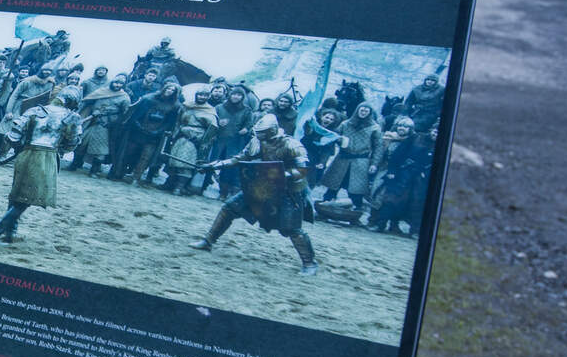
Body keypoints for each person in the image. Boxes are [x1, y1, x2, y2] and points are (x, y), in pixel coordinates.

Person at [188, 115, 319, 275]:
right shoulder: (256, 141)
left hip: (289, 191)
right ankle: (208, 241)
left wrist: (281, 175)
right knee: (229, 208)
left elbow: (302, 170)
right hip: (263, 185)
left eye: (263, 133)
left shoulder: (292, 144)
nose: (259, 136)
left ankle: (309, 263)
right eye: (258, 133)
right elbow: (239, 159)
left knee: (291, 228)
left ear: (272, 130)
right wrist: (215, 165)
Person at [0, 93, 83, 244]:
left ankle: (10, 234)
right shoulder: (72, 117)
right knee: (24, 200)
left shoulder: (35, 110)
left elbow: (12, 137)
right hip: (46, 157)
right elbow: (70, 145)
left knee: (17, 195)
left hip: (26, 154)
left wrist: (23, 147)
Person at [113, 80, 182, 185]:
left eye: (173, 90)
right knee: (129, 152)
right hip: (138, 131)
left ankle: (136, 177)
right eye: (168, 88)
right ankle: (120, 172)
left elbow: (170, 122)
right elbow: (136, 115)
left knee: (146, 156)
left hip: (154, 135)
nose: (170, 91)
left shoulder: (174, 106)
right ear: (164, 89)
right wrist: (138, 126)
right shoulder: (148, 99)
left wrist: (158, 131)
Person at [321, 103, 384, 213]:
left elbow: (378, 147)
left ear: (369, 113)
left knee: (356, 190)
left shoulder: (374, 128)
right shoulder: (345, 124)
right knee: (333, 185)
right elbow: (334, 136)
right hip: (342, 159)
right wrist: (339, 140)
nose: (363, 112)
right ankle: (324, 207)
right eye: (361, 110)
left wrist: (374, 164)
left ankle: (356, 212)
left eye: (366, 111)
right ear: (357, 110)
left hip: (361, 161)